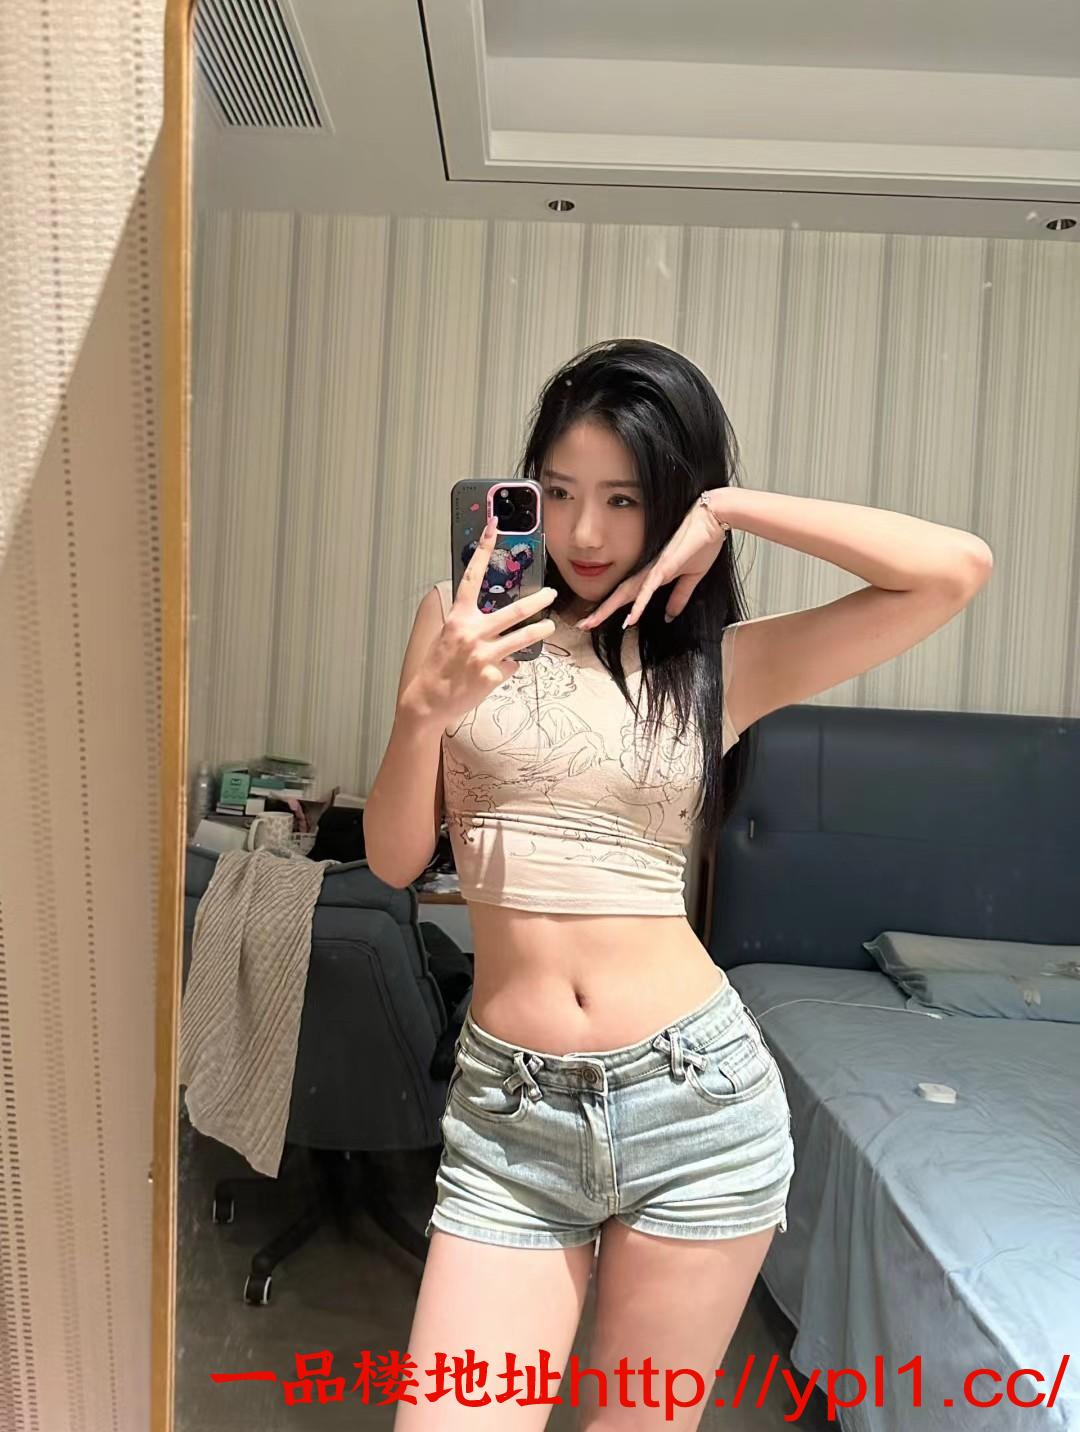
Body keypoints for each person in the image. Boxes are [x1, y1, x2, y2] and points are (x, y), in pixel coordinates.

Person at [365, 339, 993, 1430]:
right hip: (510, 1116)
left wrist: (733, 507)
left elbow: (954, 569)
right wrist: (425, 711)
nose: (586, 532)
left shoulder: (721, 665)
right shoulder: (459, 626)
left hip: (694, 1105)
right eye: (559, 491)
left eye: (626, 498)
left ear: (673, 499)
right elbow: (391, 858)